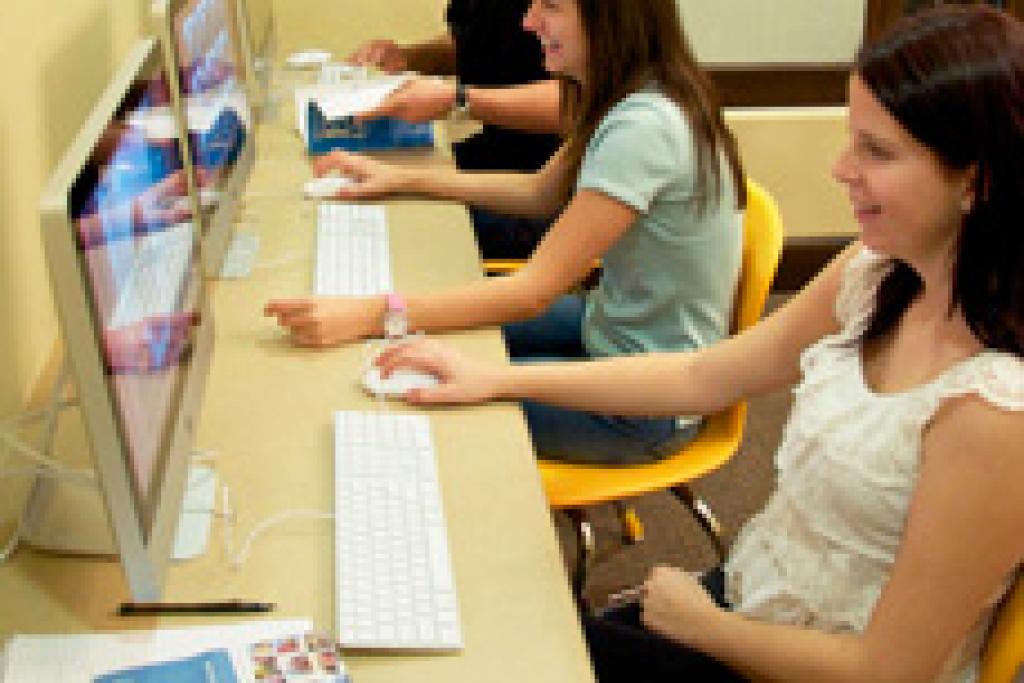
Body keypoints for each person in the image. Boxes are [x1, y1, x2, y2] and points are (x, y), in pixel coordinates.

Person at [373, 5, 1024, 681]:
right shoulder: (877, 273)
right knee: (495, 632)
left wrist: (704, 624)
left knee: (499, 651)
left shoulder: (993, 411)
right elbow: (701, 375)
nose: (840, 168)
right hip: (747, 601)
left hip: (778, 655)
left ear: (976, 181)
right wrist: (497, 378)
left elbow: (887, 670)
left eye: (877, 152)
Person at [267, 0, 746, 464]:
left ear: (610, 17)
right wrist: (401, 179)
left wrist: (371, 314)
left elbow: (531, 293)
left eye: (550, 6)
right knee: (402, 340)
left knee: (397, 389)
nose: (529, 20)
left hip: (646, 405)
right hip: (609, 330)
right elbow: (538, 193)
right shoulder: (630, 92)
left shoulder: (644, 128)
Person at [347, 0, 563, 258]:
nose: (530, 21)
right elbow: (481, 46)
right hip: (500, 168)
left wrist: (458, 99)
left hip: (541, 189)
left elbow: (585, 98)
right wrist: (407, 58)